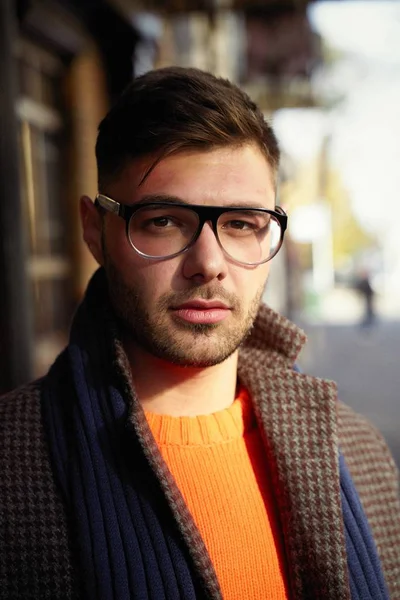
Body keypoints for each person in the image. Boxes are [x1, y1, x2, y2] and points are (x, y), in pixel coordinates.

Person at [0, 67, 399, 600]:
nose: (208, 264)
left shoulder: (356, 451)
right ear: (95, 231)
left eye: (241, 223)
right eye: (164, 220)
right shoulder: (12, 466)